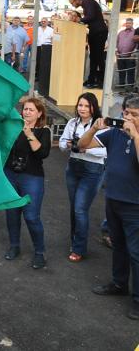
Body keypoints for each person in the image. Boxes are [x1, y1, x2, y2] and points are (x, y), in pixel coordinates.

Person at [78, 94, 139, 320]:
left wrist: (135, 136)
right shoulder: (115, 133)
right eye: (126, 113)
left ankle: (138, 300)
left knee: (137, 253)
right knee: (119, 247)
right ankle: (119, 283)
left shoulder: (134, 135)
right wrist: (94, 128)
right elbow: (82, 146)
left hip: (135, 205)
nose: (129, 118)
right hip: (113, 200)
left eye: (135, 115)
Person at [3, 98, 51, 269]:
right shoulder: (14, 127)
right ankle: (14, 246)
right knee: (12, 214)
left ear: (39, 113)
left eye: (31, 110)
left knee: (31, 216)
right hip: (10, 174)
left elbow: (42, 153)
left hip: (32, 178)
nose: (27, 112)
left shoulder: (43, 131)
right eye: (25, 109)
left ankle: (40, 252)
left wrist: (29, 132)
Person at [58, 93, 106, 262]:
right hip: (73, 167)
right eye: (80, 105)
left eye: (87, 106)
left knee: (80, 209)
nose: (83, 109)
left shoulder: (102, 125)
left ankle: (79, 248)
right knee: (74, 208)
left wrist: (86, 149)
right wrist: (69, 144)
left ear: (94, 107)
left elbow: (106, 151)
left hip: (92, 170)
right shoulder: (72, 123)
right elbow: (62, 145)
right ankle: (75, 241)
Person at [69, 0, 108, 88]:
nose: (72, 5)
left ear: (76, 0)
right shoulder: (85, 5)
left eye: (72, 3)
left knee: (98, 57)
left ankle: (102, 81)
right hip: (94, 33)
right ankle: (91, 79)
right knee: (93, 57)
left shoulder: (88, 2)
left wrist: (80, 20)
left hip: (99, 33)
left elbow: (91, 16)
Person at [117, 18, 137, 87]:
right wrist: (116, 51)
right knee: (121, 72)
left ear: (132, 24)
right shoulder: (121, 32)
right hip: (120, 55)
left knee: (130, 72)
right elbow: (116, 42)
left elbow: (137, 44)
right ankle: (121, 86)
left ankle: (130, 87)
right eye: (127, 23)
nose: (128, 24)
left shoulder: (135, 32)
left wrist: (134, 53)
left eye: (129, 23)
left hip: (130, 56)